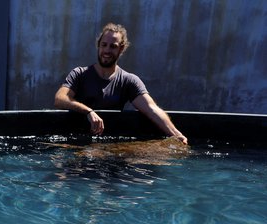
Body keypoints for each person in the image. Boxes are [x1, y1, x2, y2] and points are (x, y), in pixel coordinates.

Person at [54, 23, 187, 144]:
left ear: (121, 49)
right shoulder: (79, 74)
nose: (107, 50)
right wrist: (88, 112)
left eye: (113, 46)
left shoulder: (128, 80)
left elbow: (151, 109)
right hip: (76, 142)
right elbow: (60, 99)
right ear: (98, 45)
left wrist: (176, 134)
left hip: (108, 144)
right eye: (104, 45)